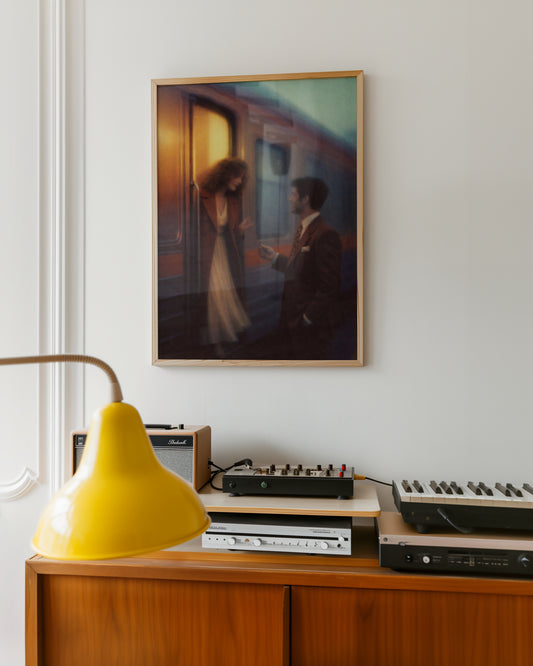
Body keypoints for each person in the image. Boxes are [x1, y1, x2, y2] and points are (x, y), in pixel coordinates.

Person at [258, 177, 341, 360]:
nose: (290, 198)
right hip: (295, 322)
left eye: (294, 194)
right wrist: (274, 257)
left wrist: (307, 317)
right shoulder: (303, 229)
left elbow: (330, 286)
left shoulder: (326, 234)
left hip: (310, 329)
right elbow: (302, 269)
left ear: (305, 199)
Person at [197, 158, 253, 356]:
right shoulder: (202, 196)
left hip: (225, 255)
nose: (239, 181)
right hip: (207, 255)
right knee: (215, 297)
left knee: (224, 296)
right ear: (226, 174)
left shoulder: (233, 201)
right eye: (237, 177)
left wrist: (238, 231)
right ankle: (216, 344)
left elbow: (229, 234)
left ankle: (222, 341)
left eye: (242, 178)